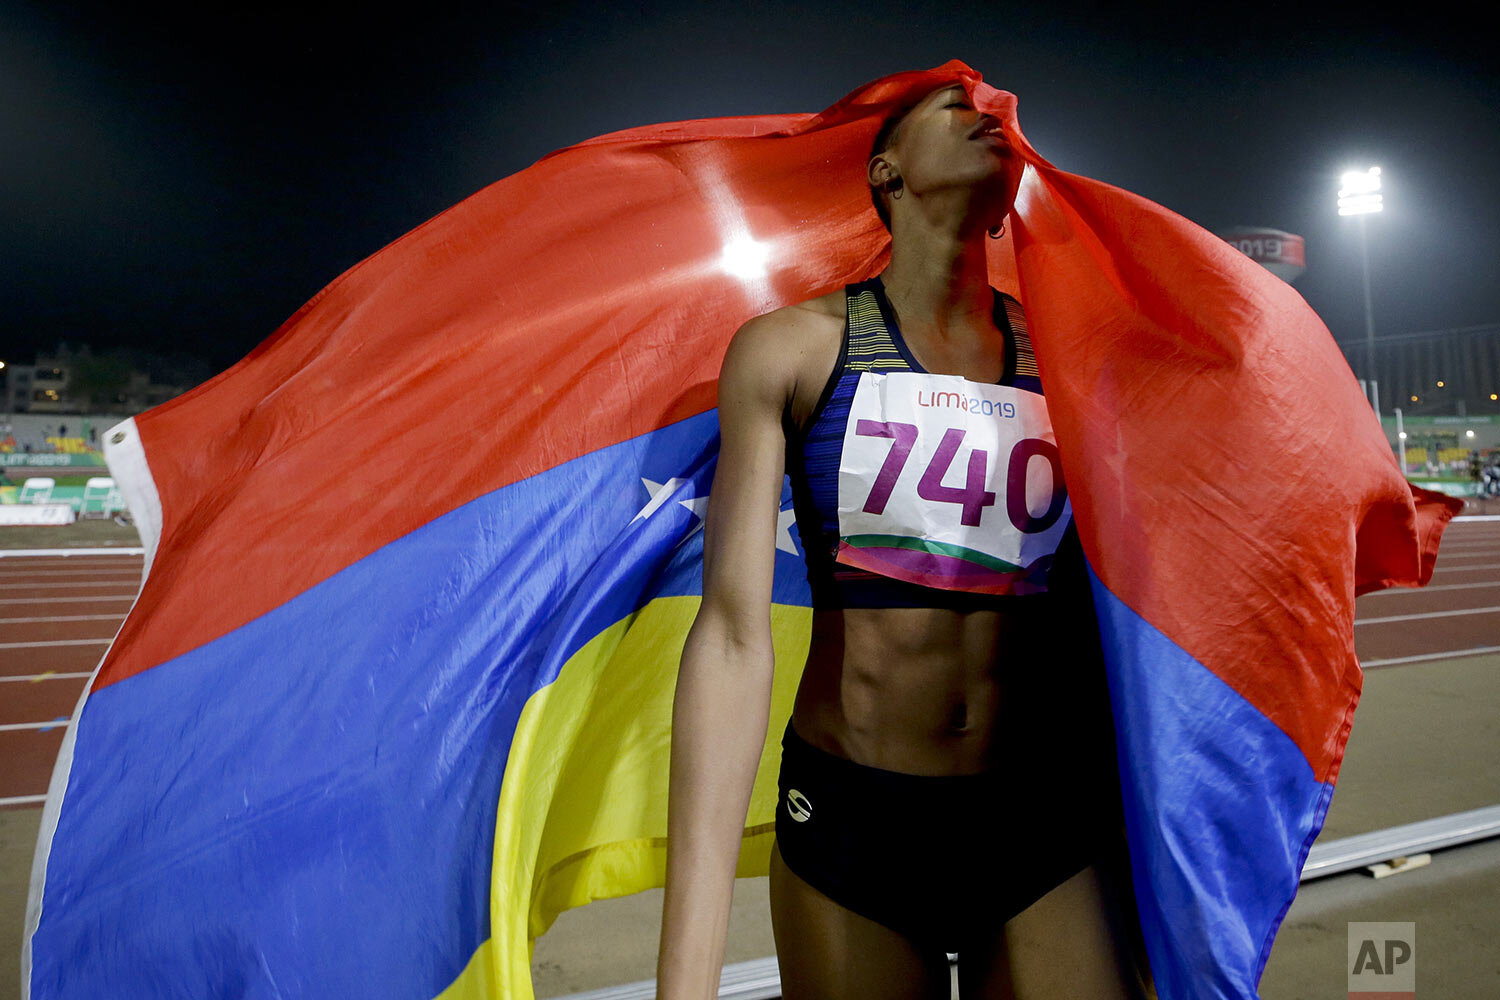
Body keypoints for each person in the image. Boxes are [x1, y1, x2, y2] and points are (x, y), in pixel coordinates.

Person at [657, 83, 1151, 999]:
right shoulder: (793, 348)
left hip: (1038, 813)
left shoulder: (1072, 360)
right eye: (950, 106)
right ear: (884, 169)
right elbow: (731, 635)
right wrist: (685, 977)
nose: (987, 111)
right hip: (857, 821)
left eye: (997, 111)